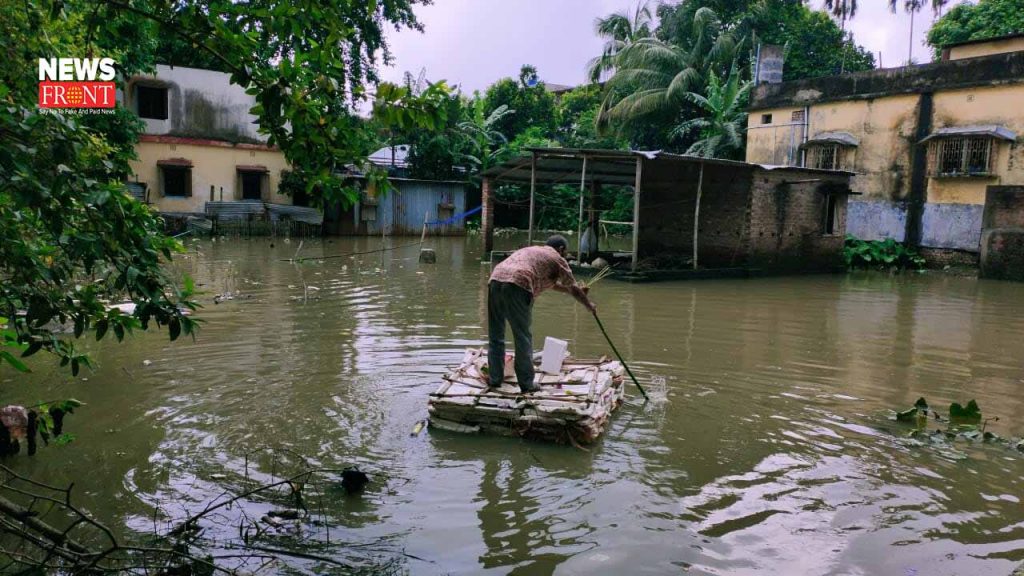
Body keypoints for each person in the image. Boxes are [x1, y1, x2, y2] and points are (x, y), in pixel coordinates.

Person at [487, 235, 596, 393]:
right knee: (522, 337)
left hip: (495, 280)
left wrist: (572, 292)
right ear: (561, 249)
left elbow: (553, 285)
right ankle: (527, 384)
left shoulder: (534, 251)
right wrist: (589, 304)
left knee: (496, 335)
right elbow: (573, 287)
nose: (565, 255)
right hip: (518, 283)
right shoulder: (557, 258)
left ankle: (495, 379)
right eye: (565, 252)